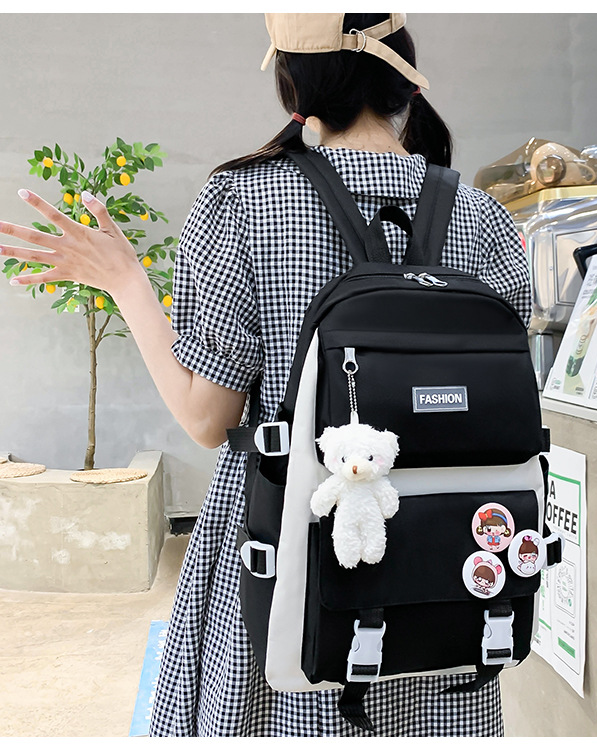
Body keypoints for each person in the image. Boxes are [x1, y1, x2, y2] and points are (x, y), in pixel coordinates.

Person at [1, 13, 530, 737]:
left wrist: (126, 282)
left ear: (295, 93)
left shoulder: (242, 201)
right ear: (407, 84)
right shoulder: (485, 218)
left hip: (287, 554)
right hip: (452, 570)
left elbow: (207, 418)